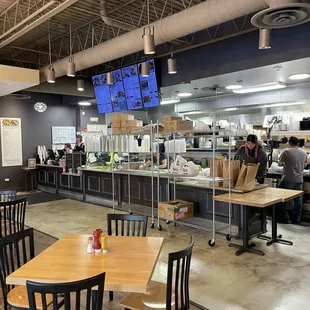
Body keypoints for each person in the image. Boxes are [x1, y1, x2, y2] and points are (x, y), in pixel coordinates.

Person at [276, 136, 307, 224]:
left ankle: (284, 218)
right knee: (298, 200)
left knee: (281, 199)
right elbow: (304, 165)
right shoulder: (304, 153)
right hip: (299, 179)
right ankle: (296, 219)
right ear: (297, 143)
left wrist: (286, 164)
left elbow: (280, 163)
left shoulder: (286, 151)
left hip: (288, 178)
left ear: (289, 143)